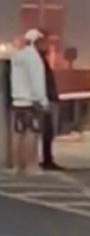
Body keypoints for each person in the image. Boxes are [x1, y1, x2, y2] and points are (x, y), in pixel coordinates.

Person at [9, 29, 48, 175]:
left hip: (17, 100)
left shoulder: (17, 56)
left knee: (17, 133)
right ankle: (31, 166)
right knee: (31, 132)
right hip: (31, 101)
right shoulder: (34, 58)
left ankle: (17, 166)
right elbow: (37, 81)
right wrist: (42, 100)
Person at [38, 40, 63, 171]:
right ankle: (47, 160)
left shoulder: (41, 62)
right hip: (47, 101)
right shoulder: (40, 63)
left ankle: (47, 159)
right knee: (48, 131)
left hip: (48, 99)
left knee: (48, 132)